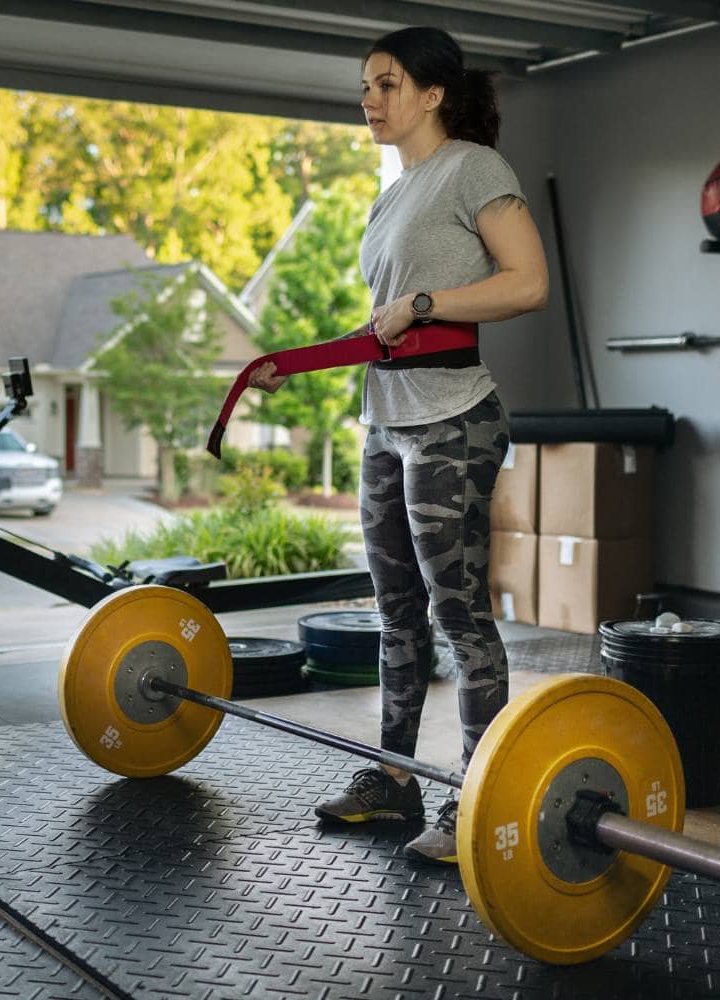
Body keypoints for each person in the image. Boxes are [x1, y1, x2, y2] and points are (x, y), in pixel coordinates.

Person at [249, 25, 548, 863]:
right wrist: (296, 365)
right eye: (367, 86)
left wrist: (423, 300)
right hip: (388, 422)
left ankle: (478, 798)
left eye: (385, 84)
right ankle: (391, 779)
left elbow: (526, 283)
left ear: (432, 93)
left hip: (454, 417)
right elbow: (387, 324)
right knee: (396, 613)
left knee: (459, 614)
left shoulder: (474, 168)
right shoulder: (396, 192)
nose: (369, 99)